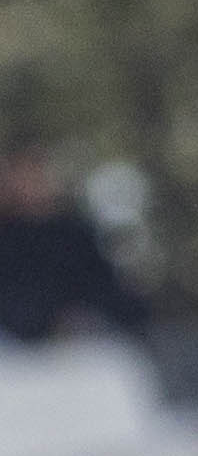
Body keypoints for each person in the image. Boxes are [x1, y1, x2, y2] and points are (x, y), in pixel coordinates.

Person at [0, 144, 147, 348]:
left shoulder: (75, 234)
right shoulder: (7, 237)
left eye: (36, 172)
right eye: (22, 175)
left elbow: (103, 287)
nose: (30, 182)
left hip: (83, 347)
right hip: (15, 349)